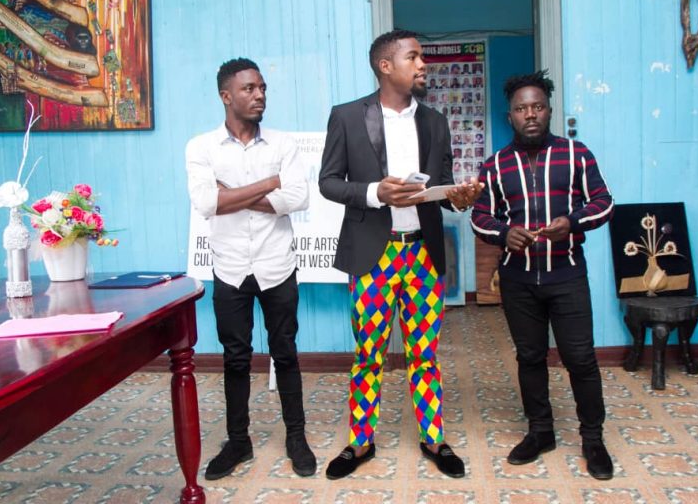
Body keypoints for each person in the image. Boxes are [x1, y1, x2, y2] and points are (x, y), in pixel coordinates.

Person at [318, 29, 482, 480]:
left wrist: (459, 198)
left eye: (422, 57)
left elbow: (442, 188)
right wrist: (376, 192)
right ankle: (360, 442)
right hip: (374, 255)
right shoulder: (347, 117)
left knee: (424, 354)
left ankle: (434, 438)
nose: (422, 64)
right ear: (385, 66)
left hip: (423, 257)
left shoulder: (435, 122)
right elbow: (328, 182)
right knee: (369, 354)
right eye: (413, 57)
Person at [470, 69, 615, 480]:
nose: (530, 114)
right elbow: (480, 217)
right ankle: (541, 432)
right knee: (530, 357)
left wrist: (573, 222)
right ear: (510, 116)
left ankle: (593, 440)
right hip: (518, 281)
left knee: (580, 359)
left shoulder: (577, 154)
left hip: (566, 275)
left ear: (549, 110)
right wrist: (504, 233)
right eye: (521, 109)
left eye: (537, 106)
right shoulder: (495, 166)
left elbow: (604, 203)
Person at [185, 58, 316, 480]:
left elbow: (298, 198)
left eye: (262, 88)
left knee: (286, 353)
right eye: (249, 89)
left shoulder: (283, 144)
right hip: (230, 268)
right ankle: (238, 442)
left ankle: (296, 437)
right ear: (226, 96)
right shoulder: (201, 147)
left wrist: (234, 194)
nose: (260, 95)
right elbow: (207, 203)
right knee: (235, 358)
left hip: (278, 263)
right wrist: (269, 183)